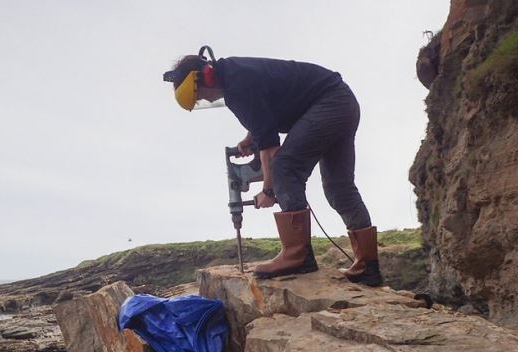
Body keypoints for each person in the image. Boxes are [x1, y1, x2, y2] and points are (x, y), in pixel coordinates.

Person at [163, 46, 382, 286]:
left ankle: (298, 256)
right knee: (339, 188)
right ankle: (367, 267)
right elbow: (262, 115)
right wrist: (251, 137)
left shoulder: (237, 87)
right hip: (343, 102)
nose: (204, 99)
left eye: (200, 95)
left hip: (329, 102)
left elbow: (270, 149)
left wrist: (269, 190)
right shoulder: (234, 74)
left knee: (284, 166)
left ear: (205, 78)